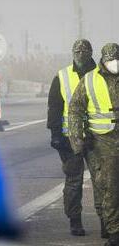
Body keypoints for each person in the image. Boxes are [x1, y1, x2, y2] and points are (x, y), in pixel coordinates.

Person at [69, 43, 119, 246]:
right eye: (110, 60)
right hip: (103, 142)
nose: (114, 64)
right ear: (103, 61)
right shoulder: (90, 80)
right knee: (110, 187)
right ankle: (114, 230)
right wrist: (76, 140)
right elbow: (75, 110)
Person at [47, 39, 96, 236]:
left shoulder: (102, 75)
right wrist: (55, 134)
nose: (81, 54)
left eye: (84, 51)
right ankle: (75, 221)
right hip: (69, 139)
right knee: (74, 181)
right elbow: (55, 107)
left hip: (98, 138)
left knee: (103, 182)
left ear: (91, 52)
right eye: (78, 51)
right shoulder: (62, 76)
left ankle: (108, 222)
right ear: (73, 53)